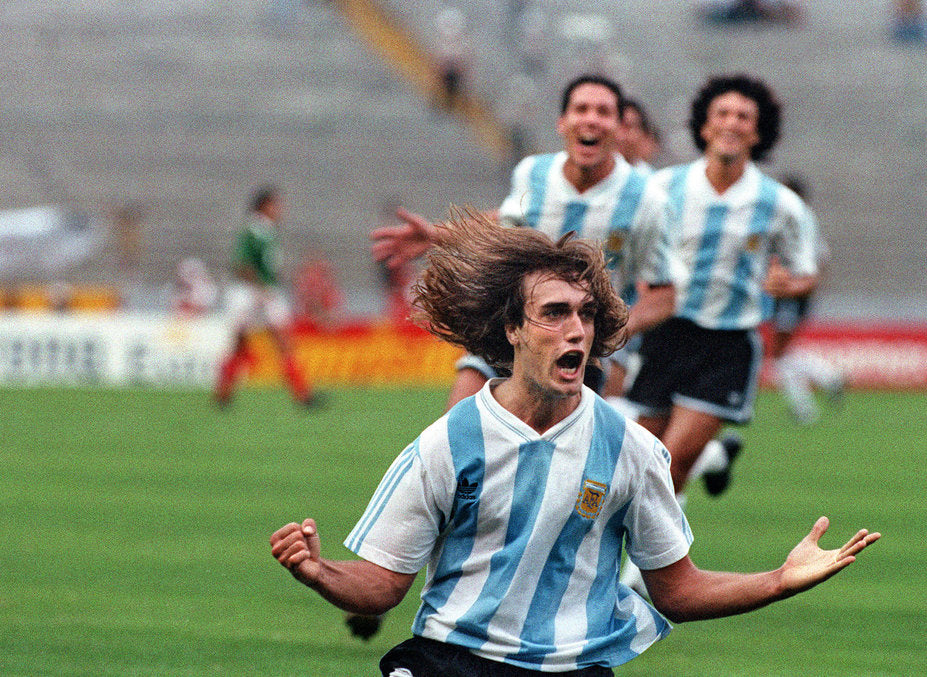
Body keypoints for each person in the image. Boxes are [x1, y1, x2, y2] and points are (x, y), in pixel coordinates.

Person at [270, 212, 881, 677]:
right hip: (451, 659)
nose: (576, 331)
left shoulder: (629, 448)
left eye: (586, 314)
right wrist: (319, 572)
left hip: (571, 669)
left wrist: (779, 580)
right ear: (512, 329)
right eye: (555, 313)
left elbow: (677, 590)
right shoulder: (448, 441)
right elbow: (383, 586)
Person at [373, 74, 678, 411]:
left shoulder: (646, 198)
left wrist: (610, 332)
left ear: (619, 128)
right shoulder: (532, 173)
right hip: (516, 326)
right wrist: (437, 234)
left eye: (603, 112)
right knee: (458, 425)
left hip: (581, 348)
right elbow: (505, 224)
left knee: (563, 439)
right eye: (581, 109)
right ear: (562, 122)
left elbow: (664, 294)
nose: (591, 119)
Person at [626, 73, 820, 505]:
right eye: (723, 113)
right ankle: (714, 457)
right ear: (705, 125)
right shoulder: (663, 187)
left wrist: (787, 284)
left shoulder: (781, 204)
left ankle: (649, 555)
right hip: (665, 334)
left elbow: (807, 272)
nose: (732, 122)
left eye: (743, 116)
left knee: (671, 465)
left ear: (757, 132)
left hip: (727, 346)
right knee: (639, 462)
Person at [214, 185, 323, 408]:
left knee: (281, 341)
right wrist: (260, 288)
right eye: (276, 204)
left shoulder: (268, 231)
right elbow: (242, 264)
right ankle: (223, 394)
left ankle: (303, 395)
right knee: (241, 343)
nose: (280, 209)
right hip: (249, 292)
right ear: (263, 206)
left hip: (265, 291)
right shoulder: (252, 231)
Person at [763, 174, 846, 425]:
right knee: (780, 352)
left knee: (779, 352)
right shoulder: (804, 219)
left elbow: (817, 258)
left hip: (792, 291)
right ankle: (812, 396)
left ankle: (825, 381)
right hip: (792, 290)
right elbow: (823, 257)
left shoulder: (797, 219)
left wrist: (802, 285)